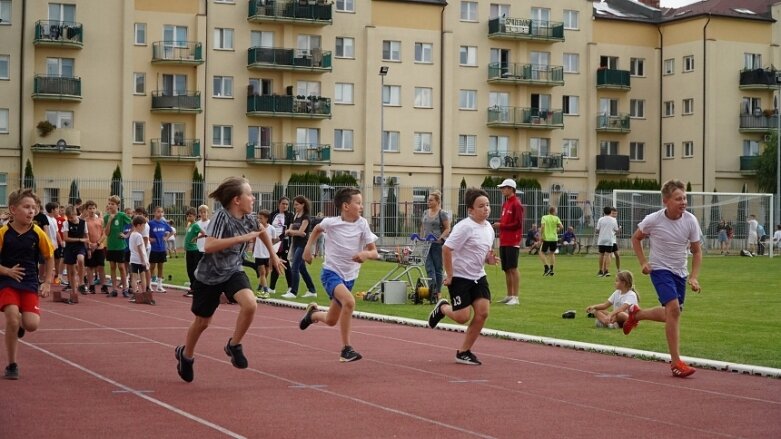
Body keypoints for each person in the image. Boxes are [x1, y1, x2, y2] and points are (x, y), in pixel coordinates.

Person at [175, 177, 283, 383]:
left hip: (233, 271)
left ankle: (234, 345)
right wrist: (241, 238)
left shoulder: (250, 218)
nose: (253, 198)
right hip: (208, 276)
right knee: (203, 322)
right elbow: (209, 246)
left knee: (250, 304)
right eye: (249, 194)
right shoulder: (220, 217)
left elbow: (261, 232)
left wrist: (273, 254)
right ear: (236, 200)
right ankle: (186, 355)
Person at [627, 179, 702, 378]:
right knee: (674, 310)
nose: (683, 202)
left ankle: (636, 314)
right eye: (679, 199)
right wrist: (643, 262)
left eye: (685, 198)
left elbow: (696, 251)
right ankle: (676, 362)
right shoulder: (653, 219)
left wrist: (694, 277)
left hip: (680, 272)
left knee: (672, 314)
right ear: (666, 201)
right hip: (659, 269)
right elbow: (635, 238)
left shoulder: (690, 221)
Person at [299, 187, 378, 363]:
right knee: (349, 301)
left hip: (349, 277)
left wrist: (365, 254)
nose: (361, 206)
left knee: (331, 320)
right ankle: (346, 349)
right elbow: (317, 229)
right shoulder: (330, 222)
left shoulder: (363, 224)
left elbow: (374, 252)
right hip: (331, 273)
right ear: (345, 206)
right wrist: (308, 248)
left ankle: (312, 315)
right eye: (358, 203)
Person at [427, 188, 497, 366]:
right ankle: (443, 308)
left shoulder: (489, 228)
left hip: (478, 276)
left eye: (487, 205)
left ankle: (464, 351)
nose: (486, 209)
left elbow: (483, 252)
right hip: (460, 276)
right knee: (462, 317)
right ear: (471, 210)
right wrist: (450, 275)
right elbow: (446, 249)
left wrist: (488, 259)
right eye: (481, 206)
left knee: (483, 313)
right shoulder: (464, 227)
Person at [0, 188, 55, 379]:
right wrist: (6, 271)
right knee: (12, 318)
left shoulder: (38, 233)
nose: (31, 211)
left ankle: (22, 326)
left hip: (29, 281)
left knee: (31, 325)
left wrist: (47, 282)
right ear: (13, 209)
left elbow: (49, 257)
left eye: (34, 207)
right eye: (26, 207)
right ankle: (12, 365)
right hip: (7, 281)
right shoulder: (3, 233)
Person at [491, 180, 522, 305]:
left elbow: (518, 224)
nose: (502, 190)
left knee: (513, 268)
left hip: (512, 240)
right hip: (504, 240)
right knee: (506, 269)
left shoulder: (516, 204)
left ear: (511, 189)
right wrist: (500, 226)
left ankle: (516, 296)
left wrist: (501, 225)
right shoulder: (506, 204)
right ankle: (509, 295)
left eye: (504, 188)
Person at [282, 195, 317, 299]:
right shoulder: (296, 215)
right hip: (295, 243)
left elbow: (302, 233)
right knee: (302, 269)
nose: (295, 206)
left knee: (295, 267)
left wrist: (290, 232)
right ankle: (312, 290)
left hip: (303, 244)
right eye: (294, 205)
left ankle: (293, 291)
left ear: (303, 205)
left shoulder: (305, 217)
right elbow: (292, 229)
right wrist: (291, 232)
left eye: (297, 204)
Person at [420, 190, 451, 304]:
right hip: (426, 244)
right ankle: (432, 292)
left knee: (438, 269)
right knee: (429, 268)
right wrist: (421, 238)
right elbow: (423, 227)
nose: (429, 202)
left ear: (437, 201)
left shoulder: (442, 213)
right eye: (428, 200)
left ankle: (437, 292)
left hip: (437, 245)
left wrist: (440, 238)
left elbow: (448, 228)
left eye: (431, 200)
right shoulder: (425, 213)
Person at [242, 209, 277, 299]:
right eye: (258, 218)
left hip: (267, 254)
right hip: (259, 253)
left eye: (261, 218)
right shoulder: (256, 228)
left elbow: (273, 241)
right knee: (262, 272)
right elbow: (253, 239)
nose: (259, 220)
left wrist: (272, 253)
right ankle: (265, 290)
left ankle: (260, 286)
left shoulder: (272, 229)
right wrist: (252, 248)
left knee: (266, 272)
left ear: (266, 219)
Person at [103, 196, 132, 298]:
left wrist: (127, 235)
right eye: (109, 204)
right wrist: (110, 220)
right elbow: (106, 233)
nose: (110, 206)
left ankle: (125, 289)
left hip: (120, 246)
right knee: (112, 266)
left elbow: (133, 224)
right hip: (111, 246)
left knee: (121, 267)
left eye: (113, 204)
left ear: (118, 205)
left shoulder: (122, 215)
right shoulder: (106, 217)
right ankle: (114, 289)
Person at [61, 205, 89, 301]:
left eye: (72, 217)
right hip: (69, 247)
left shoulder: (83, 223)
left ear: (75, 214)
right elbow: (65, 238)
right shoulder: (66, 223)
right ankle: (74, 292)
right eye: (69, 218)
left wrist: (88, 248)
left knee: (81, 259)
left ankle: (81, 282)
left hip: (80, 246)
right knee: (71, 271)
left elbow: (87, 238)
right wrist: (79, 239)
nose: (70, 219)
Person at [268, 197, 294, 295]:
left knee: (286, 264)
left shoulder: (290, 215)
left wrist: (280, 238)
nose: (285, 206)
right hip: (274, 242)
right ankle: (272, 287)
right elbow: (268, 227)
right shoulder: (273, 214)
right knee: (275, 263)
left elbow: (289, 229)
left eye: (287, 204)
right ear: (278, 204)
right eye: (283, 203)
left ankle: (290, 287)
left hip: (284, 242)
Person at [128, 215, 153, 305]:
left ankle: (135, 294)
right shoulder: (138, 235)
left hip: (133, 258)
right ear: (138, 225)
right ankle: (144, 293)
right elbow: (140, 249)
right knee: (142, 276)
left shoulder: (132, 234)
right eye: (143, 225)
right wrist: (144, 261)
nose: (144, 228)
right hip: (139, 259)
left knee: (134, 277)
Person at [83, 200, 107, 294]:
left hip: (99, 246)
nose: (92, 210)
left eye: (93, 208)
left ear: (96, 209)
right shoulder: (84, 221)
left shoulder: (100, 220)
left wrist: (97, 243)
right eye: (90, 208)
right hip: (89, 246)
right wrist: (89, 246)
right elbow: (85, 234)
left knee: (101, 266)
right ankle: (91, 286)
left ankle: (103, 286)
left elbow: (104, 234)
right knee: (90, 267)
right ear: (86, 210)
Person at [148, 207, 173, 293]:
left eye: (162, 212)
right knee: (152, 266)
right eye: (158, 212)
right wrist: (149, 239)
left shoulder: (164, 223)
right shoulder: (150, 223)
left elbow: (171, 231)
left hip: (162, 248)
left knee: (161, 266)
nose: (160, 213)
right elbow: (145, 233)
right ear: (154, 213)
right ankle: (149, 284)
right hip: (153, 248)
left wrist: (166, 237)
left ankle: (159, 285)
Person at [538, 206, 563, 276]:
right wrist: (556, 230)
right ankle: (551, 270)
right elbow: (561, 227)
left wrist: (541, 236)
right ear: (554, 211)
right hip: (554, 238)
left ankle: (547, 268)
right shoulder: (556, 218)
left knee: (541, 252)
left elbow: (542, 227)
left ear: (549, 211)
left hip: (546, 238)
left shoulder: (544, 217)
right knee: (552, 253)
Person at [596, 206, 619, 277]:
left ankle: (600, 270)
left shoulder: (600, 219)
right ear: (610, 212)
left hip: (601, 239)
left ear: (604, 212)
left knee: (601, 254)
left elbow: (597, 230)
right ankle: (606, 270)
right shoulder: (613, 220)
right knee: (608, 255)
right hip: (609, 239)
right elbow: (616, 230)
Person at [182, 208, 200, 298]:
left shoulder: (196, 225)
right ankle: (192, 287)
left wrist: (196, 239)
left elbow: (203, 233)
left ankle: (195, 289)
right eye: (188, 216)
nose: (189, 217)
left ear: (195, 216)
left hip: (194, 250)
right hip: (188, 250)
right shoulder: (190, 225)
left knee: (193, 270)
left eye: (191, 216)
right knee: (189, 270)